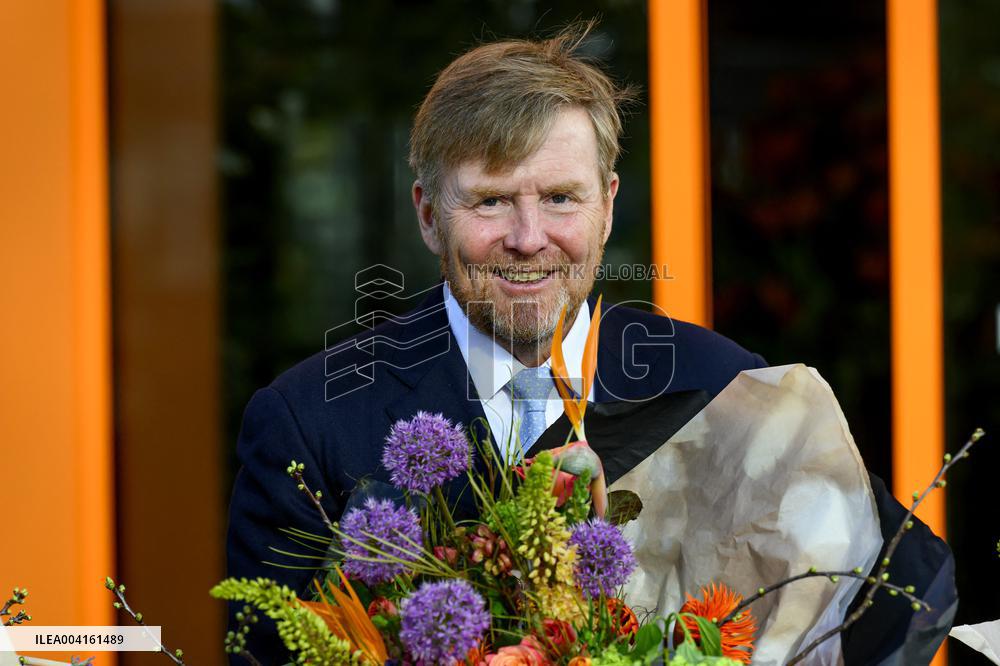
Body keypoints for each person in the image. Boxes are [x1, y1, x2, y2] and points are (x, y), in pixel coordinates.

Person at [225, 22, 953, 665]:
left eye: (560, 198)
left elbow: (887, 602)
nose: (528, 237)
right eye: (490, 200)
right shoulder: (310, 423)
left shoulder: (727, 388)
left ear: (607, 205)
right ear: (426, 215)